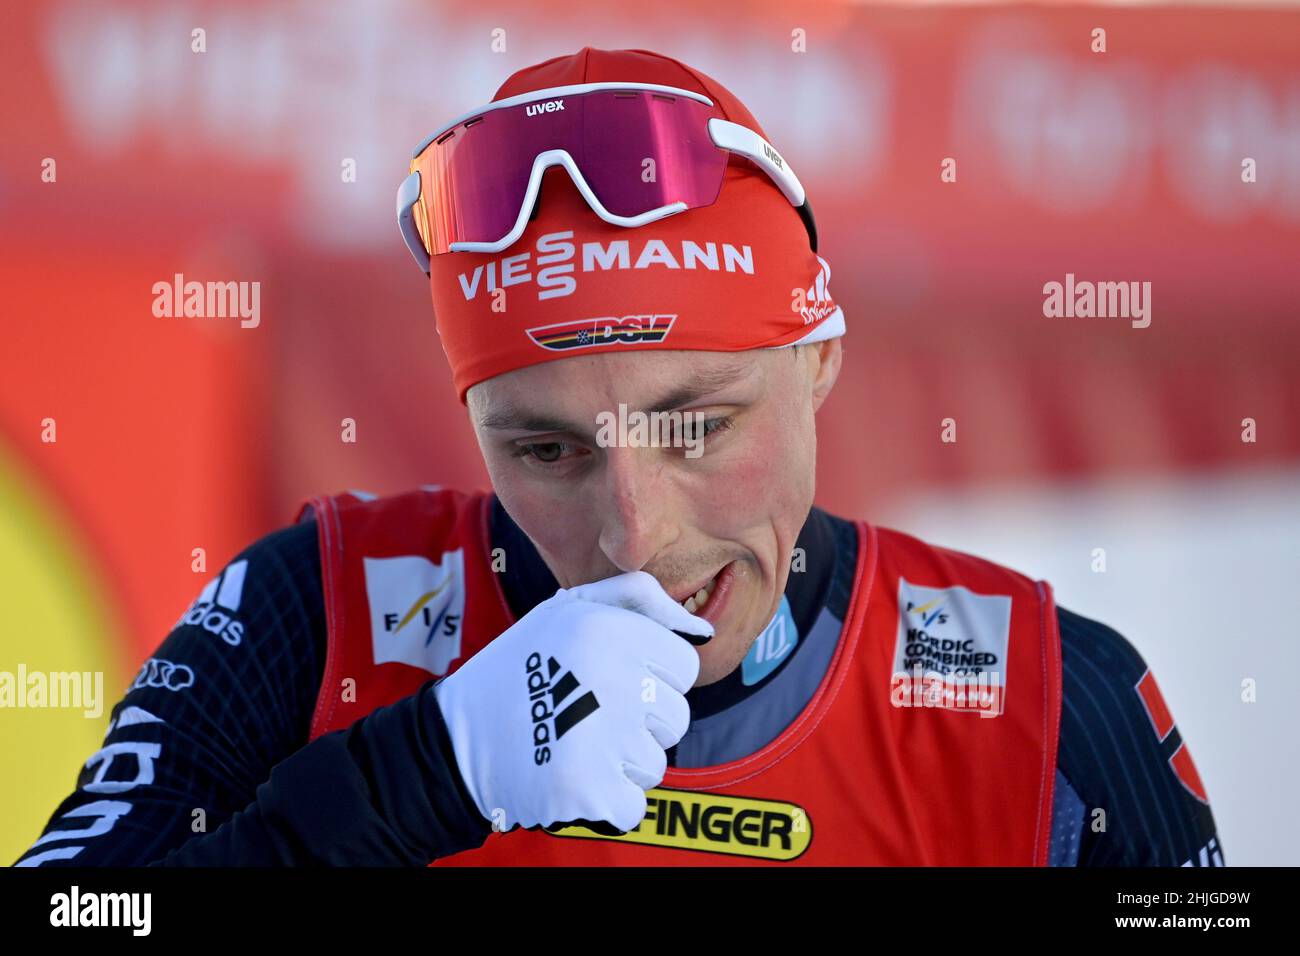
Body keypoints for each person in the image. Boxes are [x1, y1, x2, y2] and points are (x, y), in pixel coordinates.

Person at [16, 47, 1223, 867]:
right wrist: (423, 772)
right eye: (545, 447)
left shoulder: (1041, 702)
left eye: (696, 425)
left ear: (817, 359)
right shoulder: (316, 610)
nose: (632, 535)